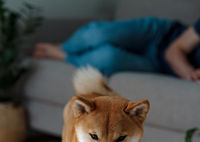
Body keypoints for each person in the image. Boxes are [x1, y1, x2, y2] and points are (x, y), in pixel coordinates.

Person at [33, 16, 200, 82]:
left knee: (106, 59)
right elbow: (175, 50)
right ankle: (65, 47)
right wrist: (189, 73)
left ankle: (62, 55)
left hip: (158, 66)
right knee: (98, 34)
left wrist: (193, 78)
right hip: (161, 34)